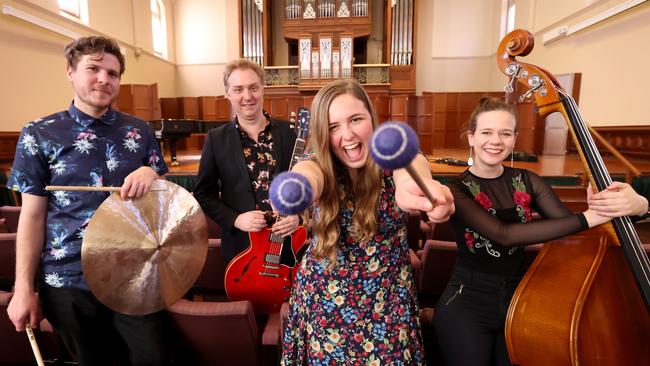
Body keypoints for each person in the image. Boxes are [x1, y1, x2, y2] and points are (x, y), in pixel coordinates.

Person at [435, 97, 649, 366]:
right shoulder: (456, 188)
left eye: (505, 133)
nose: (496, 140)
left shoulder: (528, 181)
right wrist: (590, 216)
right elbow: (504, 234)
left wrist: (636, 206)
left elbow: (570, 229)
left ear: (514, 139)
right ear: (471, 137)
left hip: (521, 303)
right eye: (487, 132)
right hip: (466, 303)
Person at [6, 36, 169, 366]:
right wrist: (23, 288)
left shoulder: (140, 131)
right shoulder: (39, 133)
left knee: (153, 357)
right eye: (93, 69)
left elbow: (162, 196)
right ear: (70, 71)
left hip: (132, 272)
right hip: (67, 277)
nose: (104, 79)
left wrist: (152, 176)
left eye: (113, 73)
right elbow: (32, 217)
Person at [281, 79, 455, 364]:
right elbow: (308, 173)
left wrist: (425, 190)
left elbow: (413, 171)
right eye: (334, 126)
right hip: (325, 302)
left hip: (388, 303)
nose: (347, 134)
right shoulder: (318, 162)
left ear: (372, 119)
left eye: (355, 119)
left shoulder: (395, 154)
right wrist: (298, 187)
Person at [194, 59, 300, 265]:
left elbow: (305, 186)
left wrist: (298, 216)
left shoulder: (290, 133)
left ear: (263, 88)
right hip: (241, 247)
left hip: (288, 244)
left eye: (253, 88)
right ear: (227, 93)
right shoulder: (216, 139)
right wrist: (236, 219)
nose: (247, 96)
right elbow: (203, 194)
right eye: (238, 89)